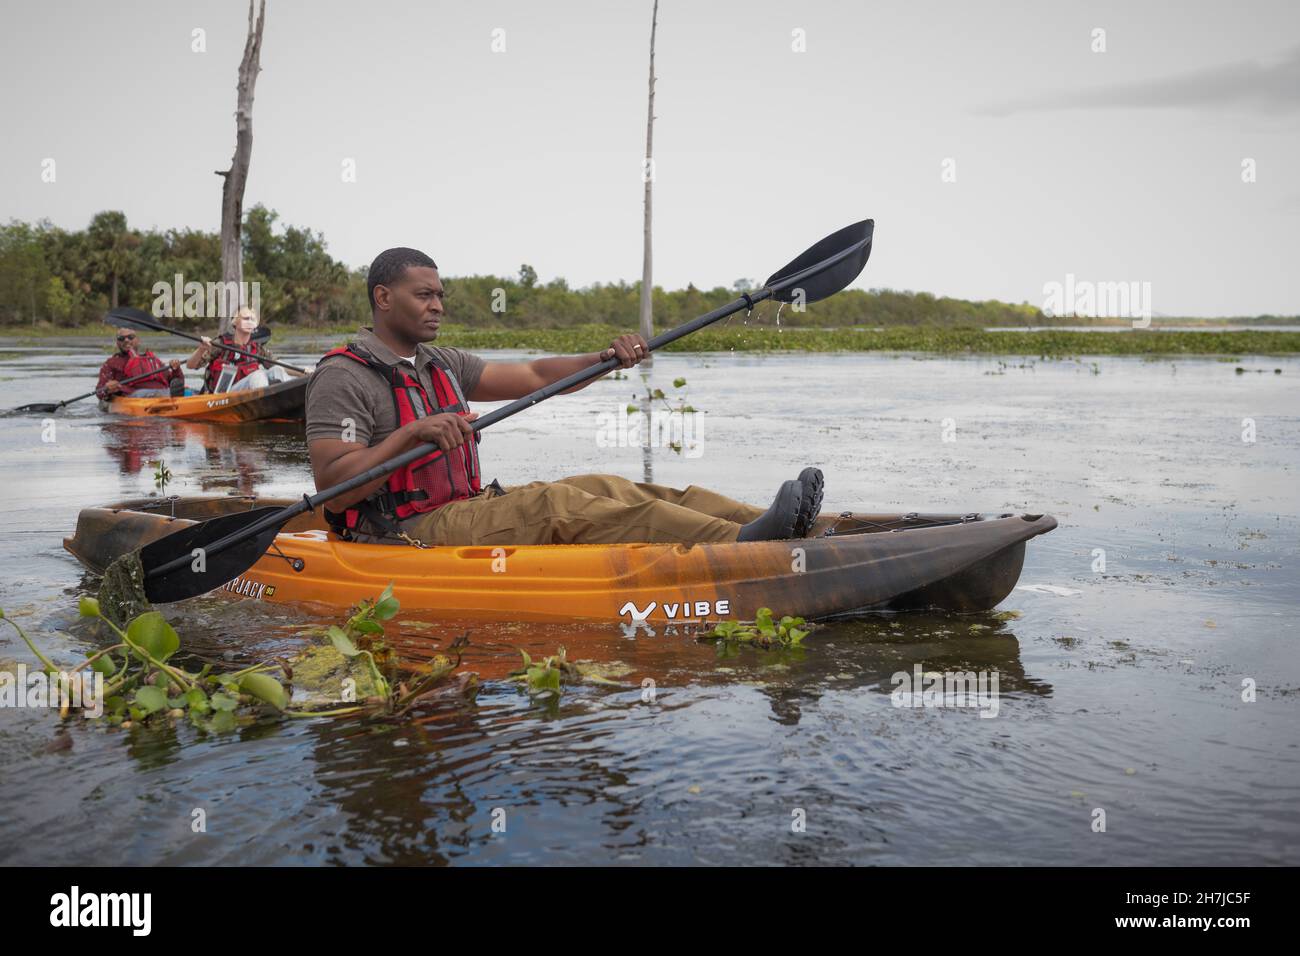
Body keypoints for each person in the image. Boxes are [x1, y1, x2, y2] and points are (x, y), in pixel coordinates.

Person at [305, 247, 825, 547]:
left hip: (466, 505)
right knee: (558, 504)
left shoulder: (440, 362)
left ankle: (767, 518)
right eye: (425, 295)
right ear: (383, 298)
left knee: (605, 484)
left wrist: (604, 360)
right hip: (405, 529)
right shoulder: (342, 376)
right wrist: (409, 434)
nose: (438, 305)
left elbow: (534, 375)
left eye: (441, 295)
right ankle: (741, 545)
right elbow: (333, 486)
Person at [186, 306, 302, 393]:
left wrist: (304, 372)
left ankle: (294, 395)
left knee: (277, 370)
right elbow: (191, 365)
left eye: (252, 319)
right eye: (246, 318)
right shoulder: (220, 344)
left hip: (249, 393)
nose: (250, 322)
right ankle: (265, 403)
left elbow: (278, 365)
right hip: (224, 395)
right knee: (258, 375)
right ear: (235, 322)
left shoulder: (256, 349)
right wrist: (201, 349)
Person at [96, 328, 185, 399]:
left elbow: (176, 382)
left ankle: (180, 396)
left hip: (164, 392)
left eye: (130, 337)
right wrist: (107, 389)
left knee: (187, 391)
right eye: (121, 338)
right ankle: (169, 397)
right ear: (117, 343)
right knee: (152, 394)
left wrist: (176, 369)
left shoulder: (152, 360)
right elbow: (100, 391)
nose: (126, 340)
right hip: (135, 395)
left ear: (138, 340)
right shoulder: (111, 363)